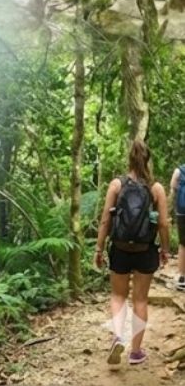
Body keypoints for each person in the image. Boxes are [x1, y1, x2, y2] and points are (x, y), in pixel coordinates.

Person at [95, 140, 170, 366]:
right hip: (145, 250)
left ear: (129, 159)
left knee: (118, 296)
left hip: (120, 249)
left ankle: (119, 336)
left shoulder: (117, 185)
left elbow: (106, 220)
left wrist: (99, 248)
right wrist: (165, 249)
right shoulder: (156, 188)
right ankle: (136, 352)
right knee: (140, 299)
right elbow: (164, 223)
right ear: (148, 160)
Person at [171, 163, 185, 291]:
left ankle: (182, 277)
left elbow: (173, 188)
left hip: (182, 212)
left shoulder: (179, 171)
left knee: (182, 244)